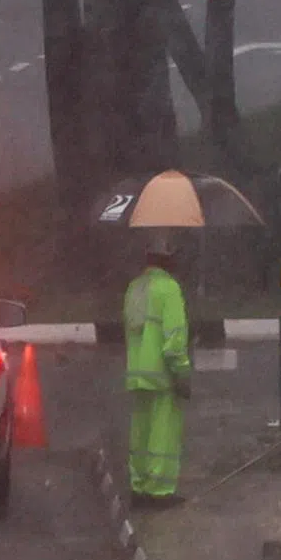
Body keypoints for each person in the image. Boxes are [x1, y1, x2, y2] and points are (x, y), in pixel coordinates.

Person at [122, 180, 199, 506]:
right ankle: (160, 492)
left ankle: (139, 486)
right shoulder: (169, 290)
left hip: (138, 373)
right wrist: (182, 373)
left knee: (140, 435)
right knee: (163, 437)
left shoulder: (135, 287)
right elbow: (173, 341)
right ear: (170, 259)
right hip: (163, 376)